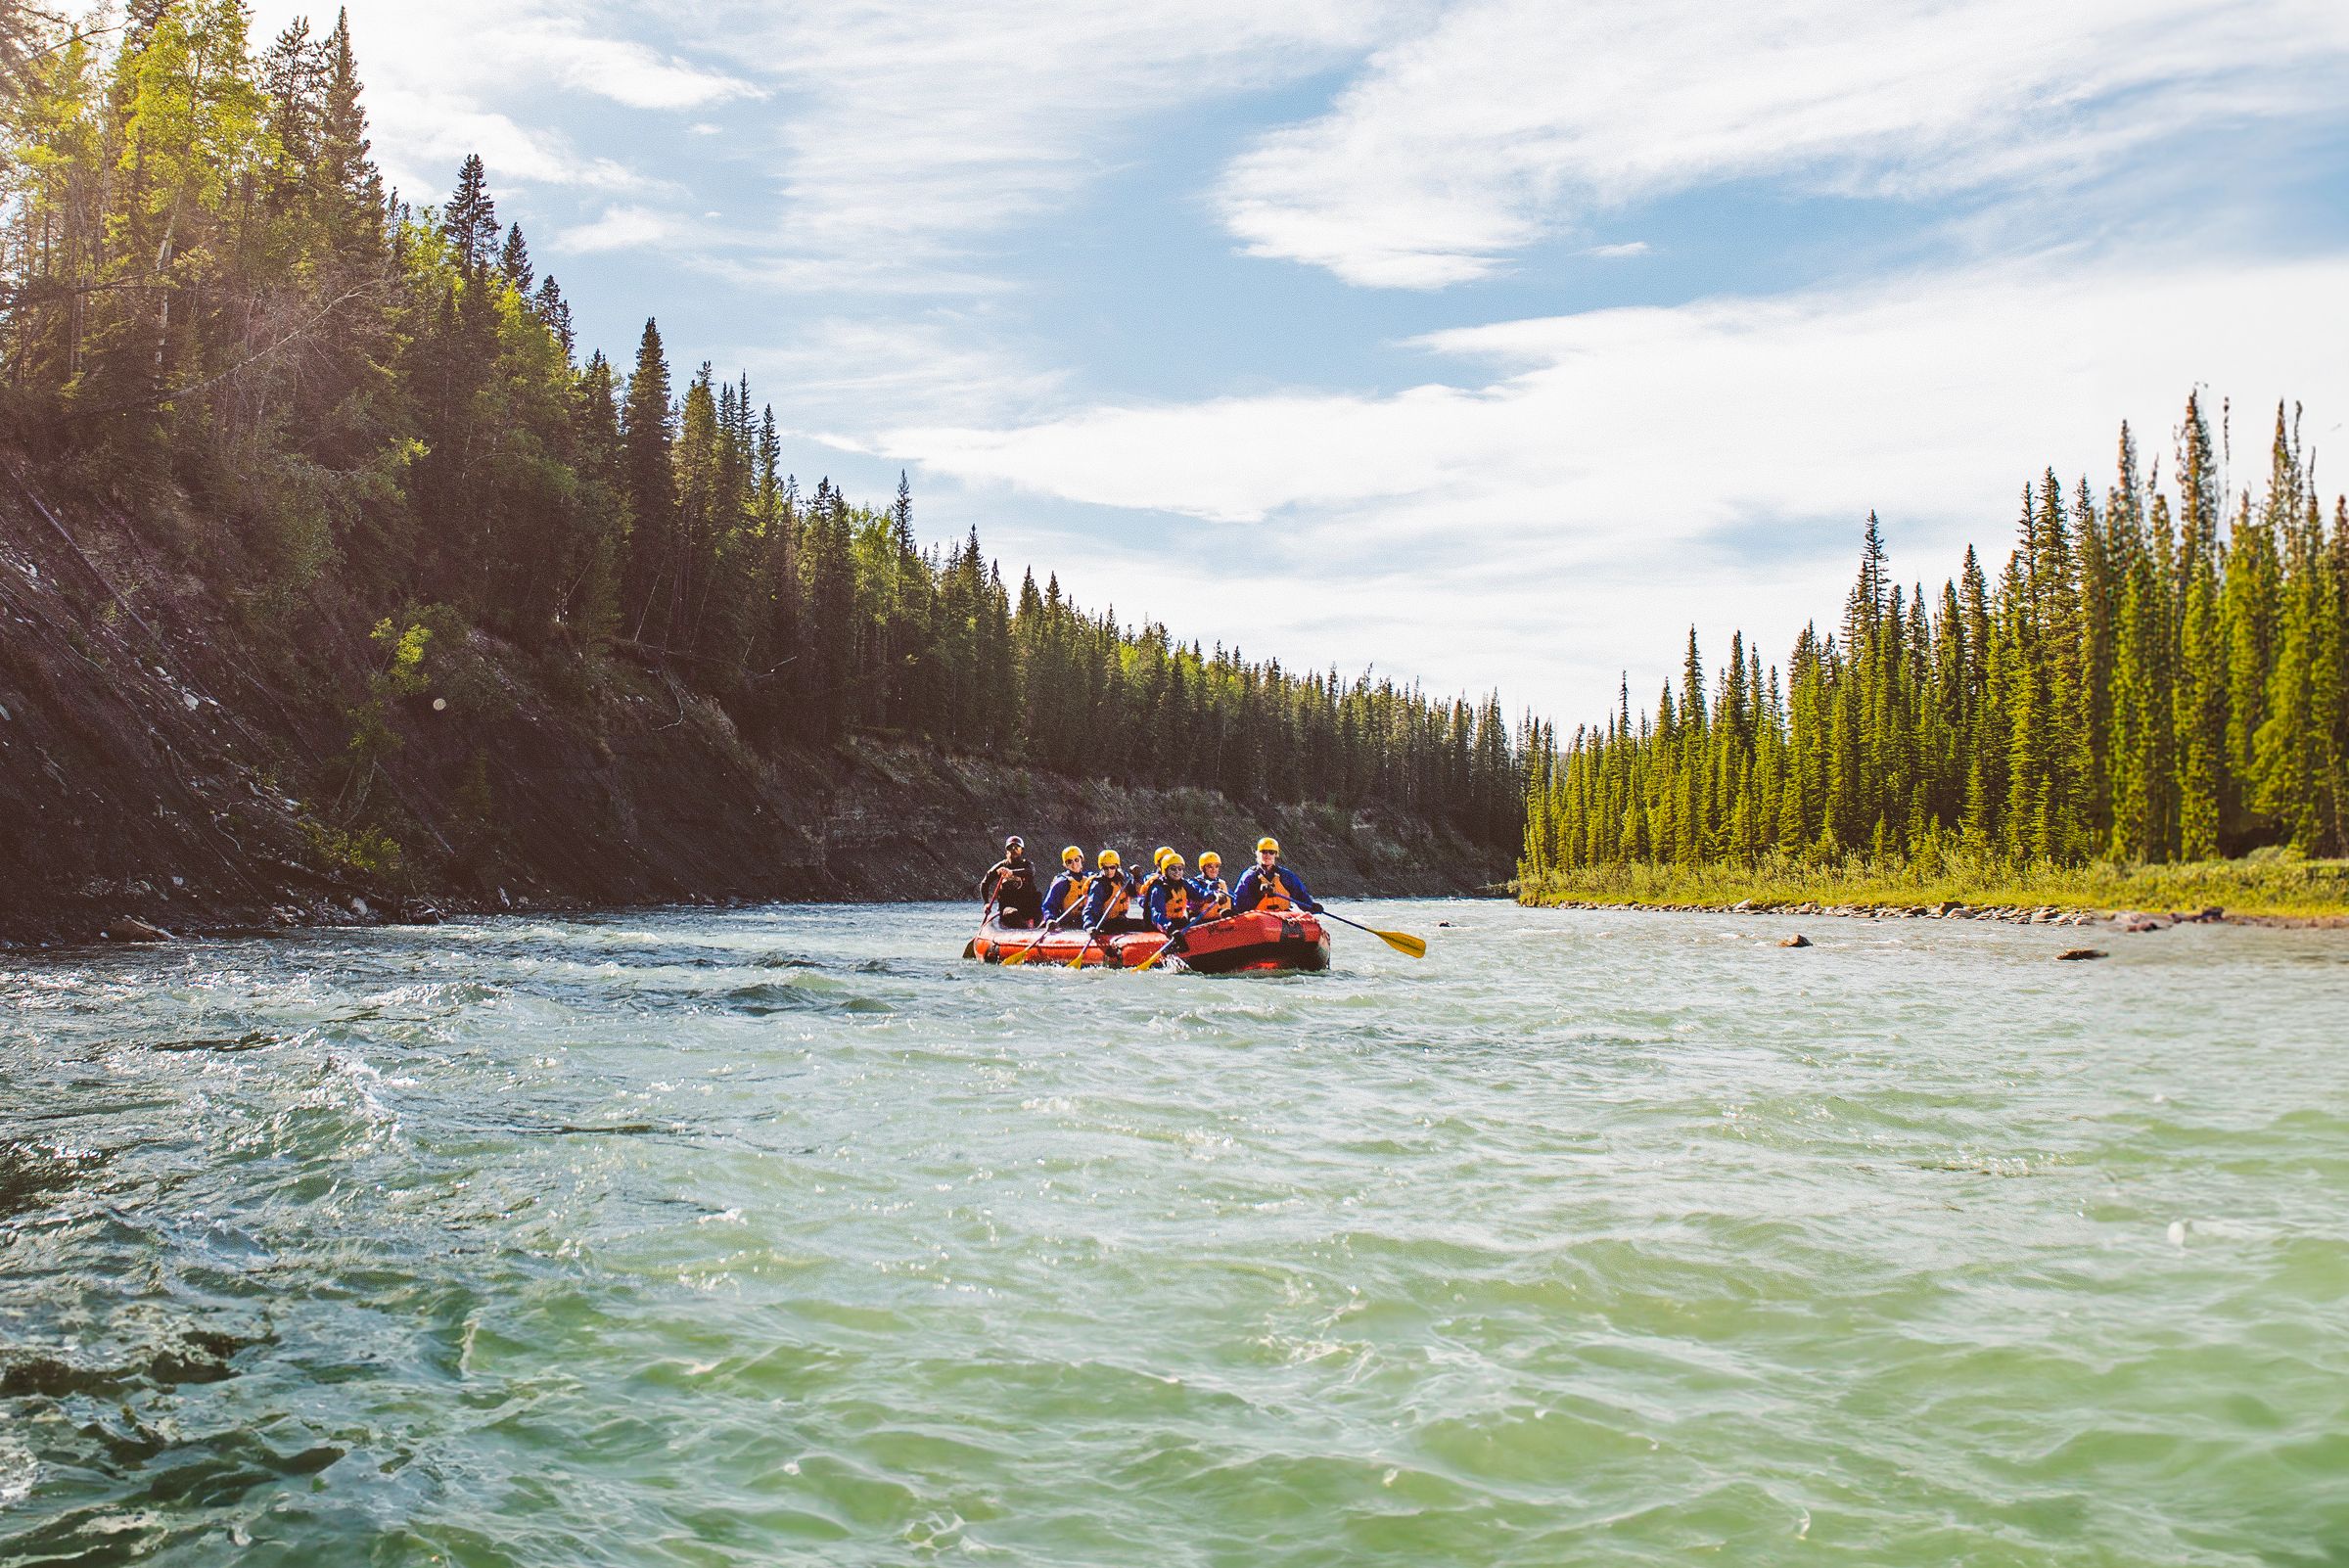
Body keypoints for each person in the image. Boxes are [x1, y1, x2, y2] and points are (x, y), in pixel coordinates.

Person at [1232, 836, 1322, 915]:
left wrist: (1311, 906)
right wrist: (1258, 894)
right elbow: (1239, 904)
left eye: (1271, 852)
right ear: (1258, 853)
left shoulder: (1285, 875)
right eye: (1264, 852)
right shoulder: (1250, 876)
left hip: (1282, 917)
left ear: (1276, 854)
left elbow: (1300, 895)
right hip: (1259, 919)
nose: (1267, 855)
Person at [978, 835, 1042, 927]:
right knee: (1012, 914)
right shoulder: (1001, 867)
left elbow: (1030, 872)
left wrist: (1011, 873)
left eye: (1017, 847)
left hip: (1026, 905)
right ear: (1007, 850)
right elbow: (985, 883)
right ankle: (1024, 927)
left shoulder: (1028, 865)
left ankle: (1039, 925)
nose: (1014, 850)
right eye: (1010, 847)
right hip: (1009, 906)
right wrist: (986, 903)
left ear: (1022, 850)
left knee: (1038, 895)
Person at [1079, 849, 1134, 930]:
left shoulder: (1122, 879)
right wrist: (1089, 926)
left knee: (1144, 924)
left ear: (1117, 867)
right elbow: (1090, 909)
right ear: (1101, 867)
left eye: (1112, 867)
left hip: (1120, 921)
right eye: (1105, 868)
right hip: (1105, 924)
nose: (1109, 871)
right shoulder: (1098, 885)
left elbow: (1136, 893)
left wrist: (1137, 877)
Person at [1144, 853, 1197, 935]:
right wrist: (1169, 928)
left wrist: (1212, 895)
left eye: (1180, 869)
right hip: (1163, 925)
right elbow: (1157, 914)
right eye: (1173, 869)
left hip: (1179, 921)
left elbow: (1198, 895)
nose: (1177, 872)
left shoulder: (1184, 883)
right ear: (1166, 870)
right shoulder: (1159, 888)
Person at [1040, 846, 1090, 926]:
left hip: (1086, 921)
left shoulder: (1090, 878)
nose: (1074, 865)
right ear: (1065, 865)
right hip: (1067, 922)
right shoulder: (1062, 882)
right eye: (1069, 862)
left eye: (1076, 860)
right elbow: (1049, 905)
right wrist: (1050, 919)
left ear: (1082, 860)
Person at [1191, 851, 1232, 920]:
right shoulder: (1195, 883)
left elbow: (1234, 898)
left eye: (1216, 866)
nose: (1214, 869)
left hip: (1222, 920)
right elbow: (1196, 900)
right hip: (1204, 922)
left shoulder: (1221, 883)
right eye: (1210, 866)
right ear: (1202, 868)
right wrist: (1212, 895)